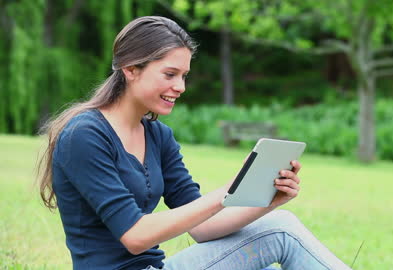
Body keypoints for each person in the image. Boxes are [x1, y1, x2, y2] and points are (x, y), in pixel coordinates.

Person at [37, 16, 352, 270]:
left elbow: (202, 228)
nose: (180, 86)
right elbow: (134, 236)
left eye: (184, 75)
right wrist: (228, 193)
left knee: (271, 243)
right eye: (170, 74)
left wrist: (266, 202)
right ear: (131, 69)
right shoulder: (85, 135)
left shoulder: (158, 136)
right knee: (280, 229)